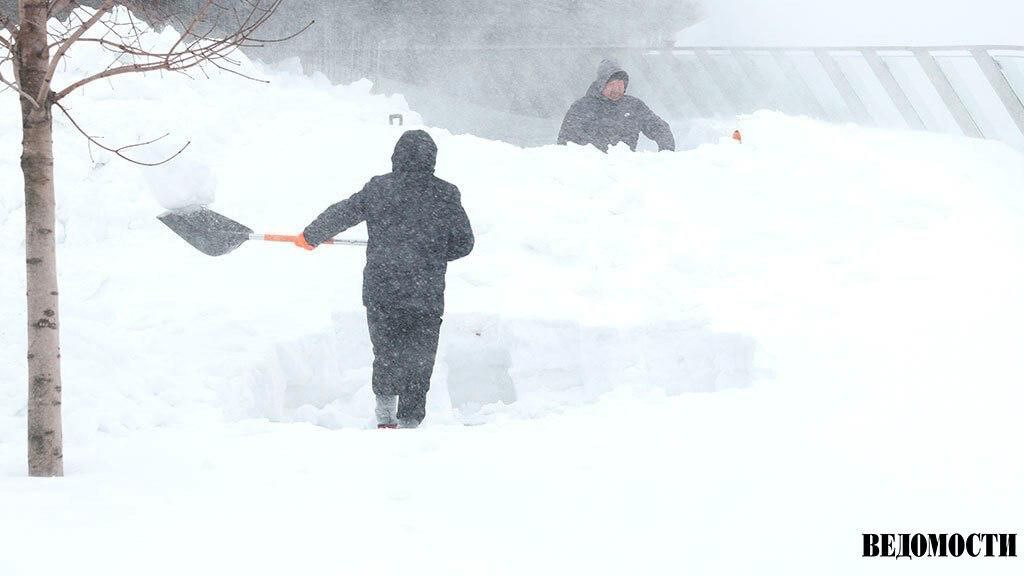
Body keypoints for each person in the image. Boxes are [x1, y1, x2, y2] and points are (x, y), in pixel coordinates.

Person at [295, 130, 474, 429]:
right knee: (420, 357)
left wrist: (311, 235)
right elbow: (464, 243)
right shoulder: (445, 193)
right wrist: (433, 252)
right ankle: (411, 420)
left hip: (382, 290)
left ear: (396, 157)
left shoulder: (380, 188)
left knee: (387, 352)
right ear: (432, 159)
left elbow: (344, 212)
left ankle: (385, 415)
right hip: (425, 293)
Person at [557, 59, 675, 152]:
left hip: (625, 171)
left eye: (620, 84)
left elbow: (659, 128)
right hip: (591, 171)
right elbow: (565, 142)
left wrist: (666, 153)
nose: (616, 89)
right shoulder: (581, 108)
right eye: (612, 84)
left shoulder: (634, 106)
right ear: (601, 84)